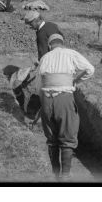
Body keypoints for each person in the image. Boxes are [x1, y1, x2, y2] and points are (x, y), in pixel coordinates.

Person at [38, 33, 94, 180]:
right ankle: (65, 175)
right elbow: (90, 69)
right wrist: (76, 81)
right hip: (64, 98)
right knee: (68, 136)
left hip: (46, 100)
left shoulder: (45, 58)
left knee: (52, 139)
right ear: (62, 43)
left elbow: (40, 84)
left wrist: (42, 104)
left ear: (50, 45)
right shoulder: (70, 54)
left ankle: (55, 174)